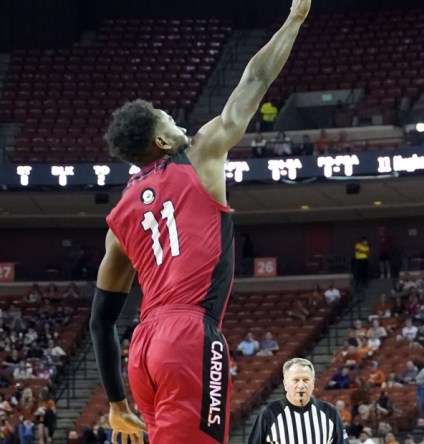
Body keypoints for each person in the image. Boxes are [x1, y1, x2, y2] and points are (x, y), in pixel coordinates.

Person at [89, 2, 311, 443]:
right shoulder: (201, 154)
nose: (179, 122)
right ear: (160, 140)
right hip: (187, 335)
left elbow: (100, 322)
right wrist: (295, 19)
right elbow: (255, 79)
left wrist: (116, 404)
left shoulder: (119, 220)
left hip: (143, 349)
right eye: (170, 120)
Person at [247, 358, 349, 444]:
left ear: (313, 383)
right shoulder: (269, 413)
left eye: (306, 380)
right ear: (285, 383)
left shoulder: (329, 412)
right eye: (295, 380)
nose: (301, 386)